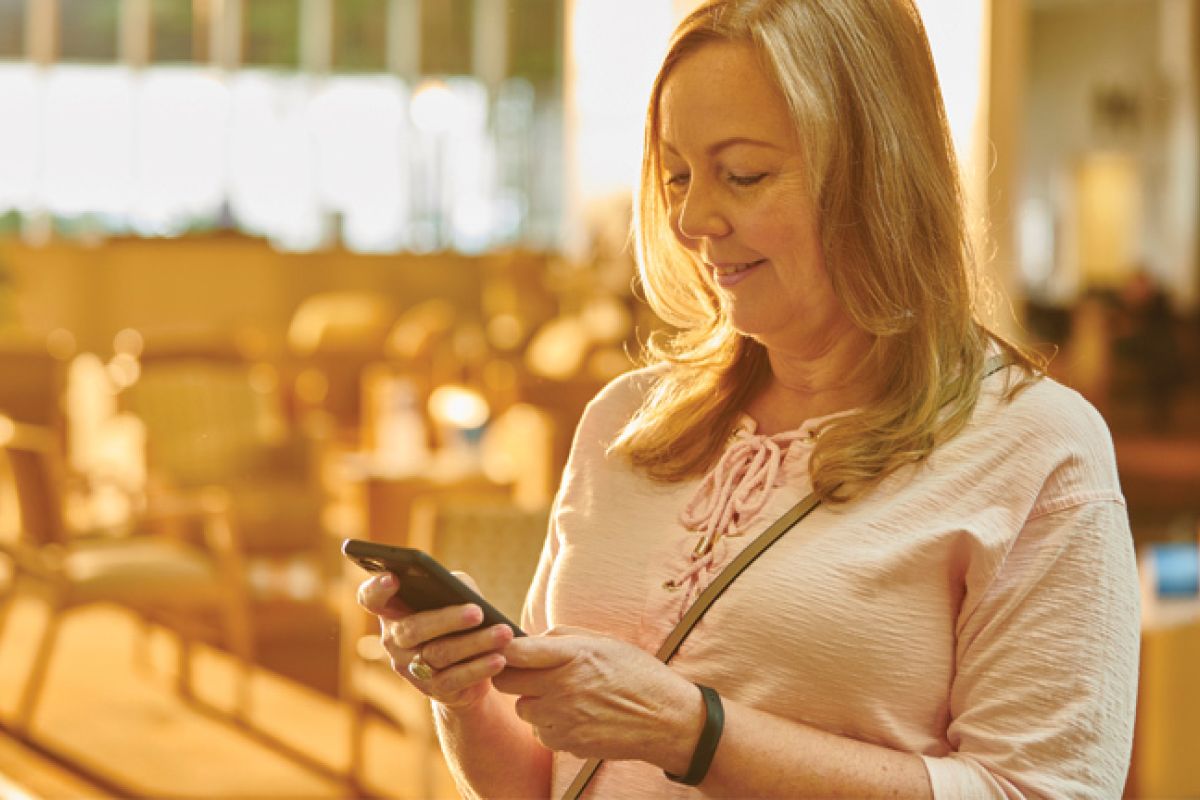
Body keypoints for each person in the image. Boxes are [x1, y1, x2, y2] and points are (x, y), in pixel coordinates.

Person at [358, 0, 1140, 797]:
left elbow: (1042, 789)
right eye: (677, 176)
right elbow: (549, 780)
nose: (691, 219)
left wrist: (691, 732)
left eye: (744, 175)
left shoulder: (1037, 448)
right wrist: (466, 699)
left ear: (879, 173)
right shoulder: (625, 422)